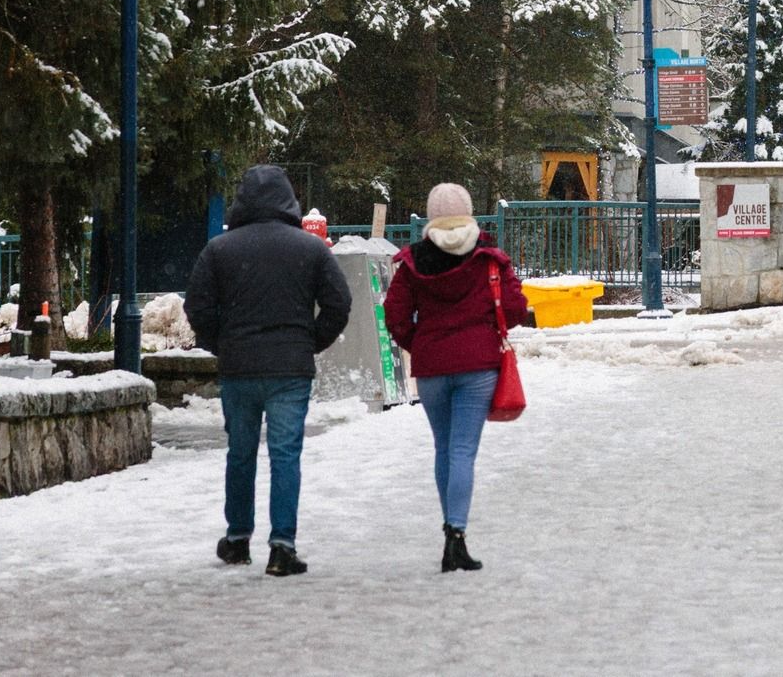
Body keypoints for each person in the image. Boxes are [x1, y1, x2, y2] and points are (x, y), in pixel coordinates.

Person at [183, 164, 353, 577]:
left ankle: (238, 539)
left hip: (238, 367)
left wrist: (220, 343)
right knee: (285, 454)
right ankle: (282, 546)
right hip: (290, 369)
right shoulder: (311, 249)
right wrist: (311, 341)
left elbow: (197, 307)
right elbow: (339, 304)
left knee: (240, 453)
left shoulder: (220, 249)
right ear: (288, 199)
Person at [382, 183, 530, 571]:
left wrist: (421, 342)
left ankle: (451, 533)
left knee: (443, 447)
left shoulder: (412, 261)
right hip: (479, 366)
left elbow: (394, 315)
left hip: (431, 368)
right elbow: (516, 306)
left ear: (431, 218)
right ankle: (456, 536)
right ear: (469, 214)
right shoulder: (488, 258)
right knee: (463, 450)